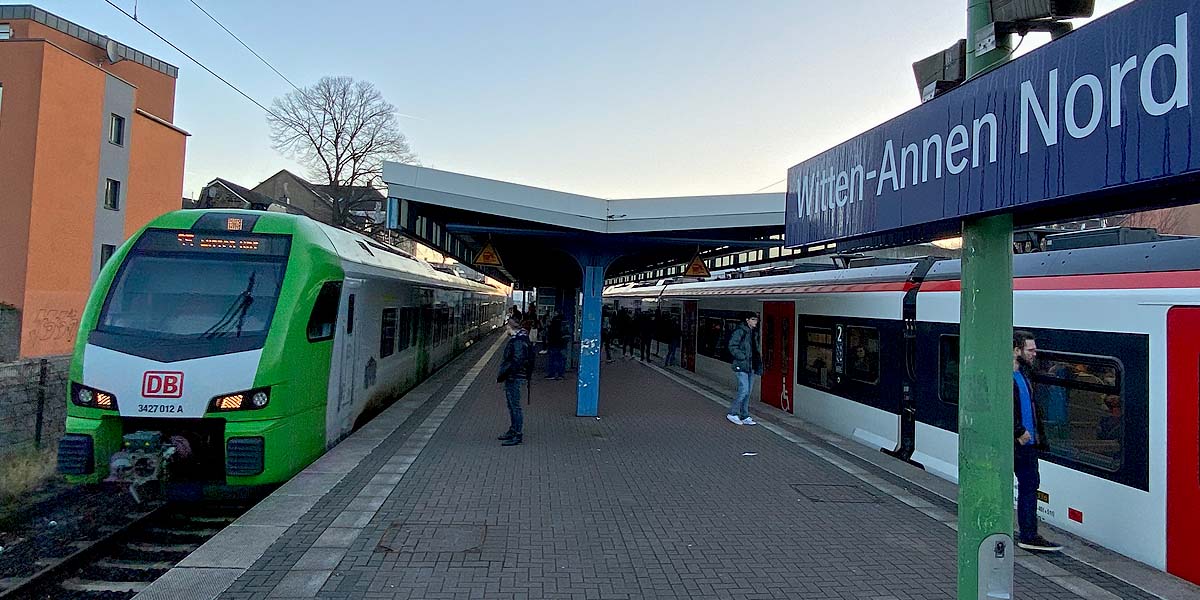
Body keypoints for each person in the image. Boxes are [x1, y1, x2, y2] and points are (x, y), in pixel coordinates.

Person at [1013, 330, 1062, 552]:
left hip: (1029, 444)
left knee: (1030, 486)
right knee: (1028, 486)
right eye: (1030, 350)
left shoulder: (1024, 374)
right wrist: (1019, 431)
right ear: (1016, 351)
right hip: (1018, 443)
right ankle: (1028, 535)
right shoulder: (1008, 377)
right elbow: (1001, 405)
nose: (1035, 353)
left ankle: (1029, 533)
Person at [496, 314, 534, 446]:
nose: (506, 328)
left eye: (507, 326)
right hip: (517, 376)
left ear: (511, 327)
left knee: (515, 407)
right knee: (512, 406)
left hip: (515, 377)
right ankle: (513, 430)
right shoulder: (521, 338)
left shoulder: (517, 341)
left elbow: (517, 360)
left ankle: (517, 434)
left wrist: (509, 374)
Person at [726, 312, 763, 425]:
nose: (755, 322)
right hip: (741, 365)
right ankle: (732, 413)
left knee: (748, 392)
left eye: (756, 319)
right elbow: (732, 345)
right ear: (747, 320)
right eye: (753, 319)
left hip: (751, 366)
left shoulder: (753, 332)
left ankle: (744, 415)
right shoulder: (740, 331)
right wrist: (742, 356)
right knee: (744, 390)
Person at [545, 313, 567, 380]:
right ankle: (560, 374)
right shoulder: (563, 324)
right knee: (561, 359)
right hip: (561, 344)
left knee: (553, 359)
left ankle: (552, 374)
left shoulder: (553, 325)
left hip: (553, 343)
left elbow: (549, 334)